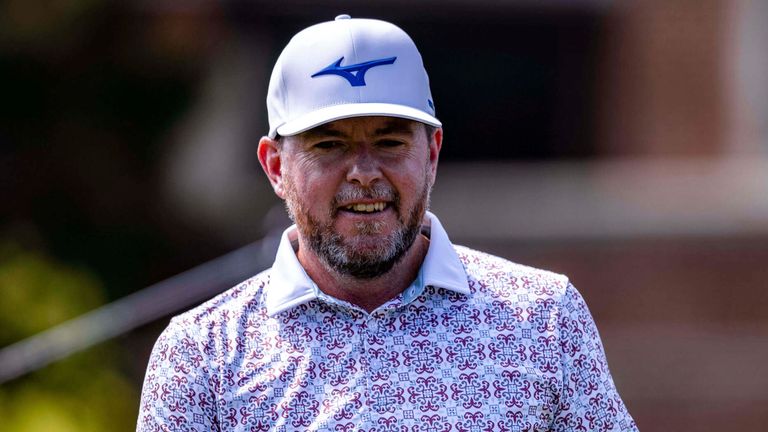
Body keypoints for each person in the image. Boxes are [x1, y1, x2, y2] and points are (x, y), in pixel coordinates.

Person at [137, 14, 638, 432]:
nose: (364, 173)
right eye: (329, 145)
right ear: (275, 167)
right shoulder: (200, 356)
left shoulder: (544, 321)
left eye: (391, 142)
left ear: (432, 155)